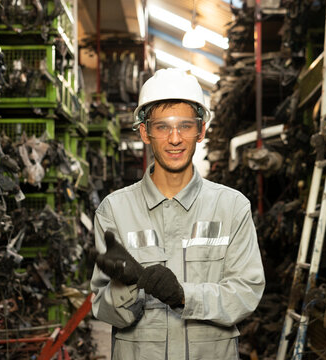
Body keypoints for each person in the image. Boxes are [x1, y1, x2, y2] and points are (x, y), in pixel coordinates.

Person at [90, 68, 265, 360]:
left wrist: (185, 295)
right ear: (145, 132)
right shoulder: (115, 210)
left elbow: (246, 292)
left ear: (201, 131)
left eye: (185, 126)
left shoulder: (232, 207)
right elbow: (103, 308)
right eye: (162, 127)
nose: (175, 139)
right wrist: (128, 288)